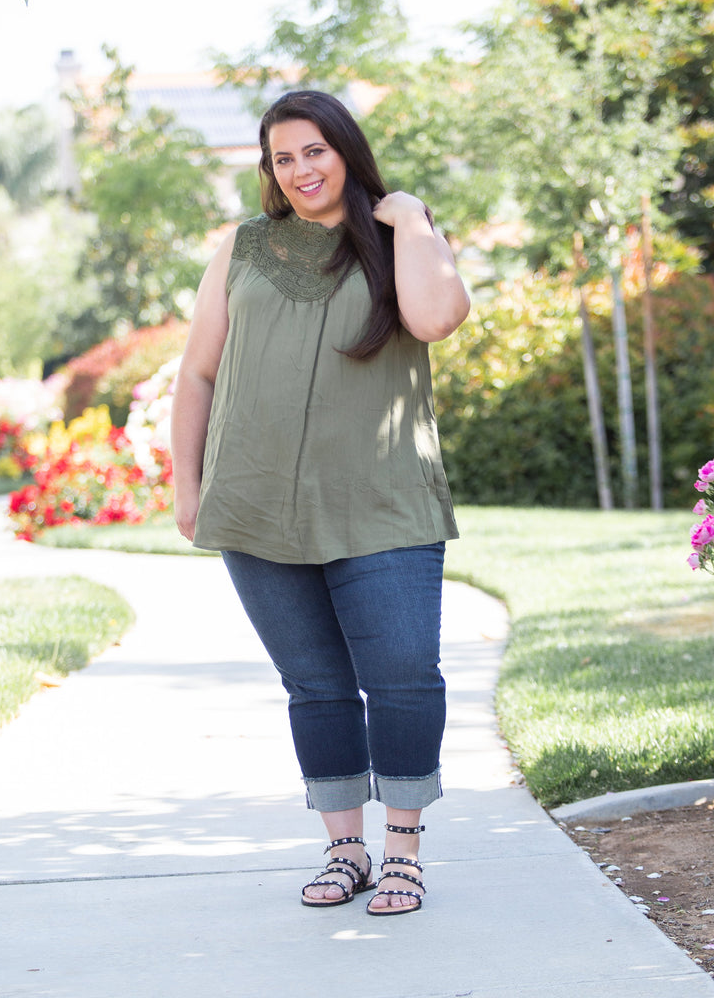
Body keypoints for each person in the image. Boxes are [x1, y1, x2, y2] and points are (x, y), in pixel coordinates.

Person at [171, 90, 470, 916]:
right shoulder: (244, 248)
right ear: (269, 171)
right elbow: (198, 372)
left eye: (314, 151)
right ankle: (345, 850)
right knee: (315, 685)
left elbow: (438, 318)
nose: (300, 169)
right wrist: (187, 481)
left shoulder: (400, 238)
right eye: (283, 158)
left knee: (404, 676)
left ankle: (403, 853)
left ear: (346, 149)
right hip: (259, 505)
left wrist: (408, 219)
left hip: (383, 502)